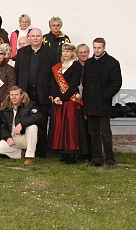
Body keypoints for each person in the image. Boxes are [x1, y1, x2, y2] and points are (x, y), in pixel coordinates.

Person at [14, 28, 58, 156]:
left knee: (42, 121)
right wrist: (18, 91)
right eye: (32, 36)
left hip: (43, 92)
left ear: (42, 38)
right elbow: (17, 72)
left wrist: (52, 92)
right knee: (24, 119)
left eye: (38, 36)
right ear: (29, 37)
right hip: (26, 92)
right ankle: (25, 148)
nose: (35, 38)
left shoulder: (51, 53)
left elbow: (55, 75)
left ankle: (41, 151)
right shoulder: (22, 52)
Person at [83, 38, 122, 167]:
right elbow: (86, 83)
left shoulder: (112, 63)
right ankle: (97, 158)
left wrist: (105, 95)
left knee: (105, 132)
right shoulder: (89, 63)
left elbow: (116, 83)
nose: (96, 50)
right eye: (94, 47)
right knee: (93, 132)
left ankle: (110, 159)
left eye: (99, 48)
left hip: (103, 103)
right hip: (90, 103)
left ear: (104, 47)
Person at [48, 43, 86, 163]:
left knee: (71, 127)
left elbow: (74, 84)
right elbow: (53, 83)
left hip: (70, 101)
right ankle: (63, 152)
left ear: (73, 53)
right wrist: (56, 97)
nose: (65, 53)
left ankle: (72, 153)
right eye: (64, 51)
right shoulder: (57, 67)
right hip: (59, 101)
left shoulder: (76, 66)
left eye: (68, 51)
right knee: (60, 127)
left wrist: (63, 97)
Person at [0, 86, 42, 166]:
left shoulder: (30, 104)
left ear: (22, 95)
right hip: (13, 137)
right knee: (0, 147)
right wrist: (7, 137)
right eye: (12, 95)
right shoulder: (5, 107)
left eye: (16, 95)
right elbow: (2, 125)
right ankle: (20, 153)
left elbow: (38, 116)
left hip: (25, 137)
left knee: (32, 127)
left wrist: (22, 124)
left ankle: (30, 157)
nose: (14, 97)